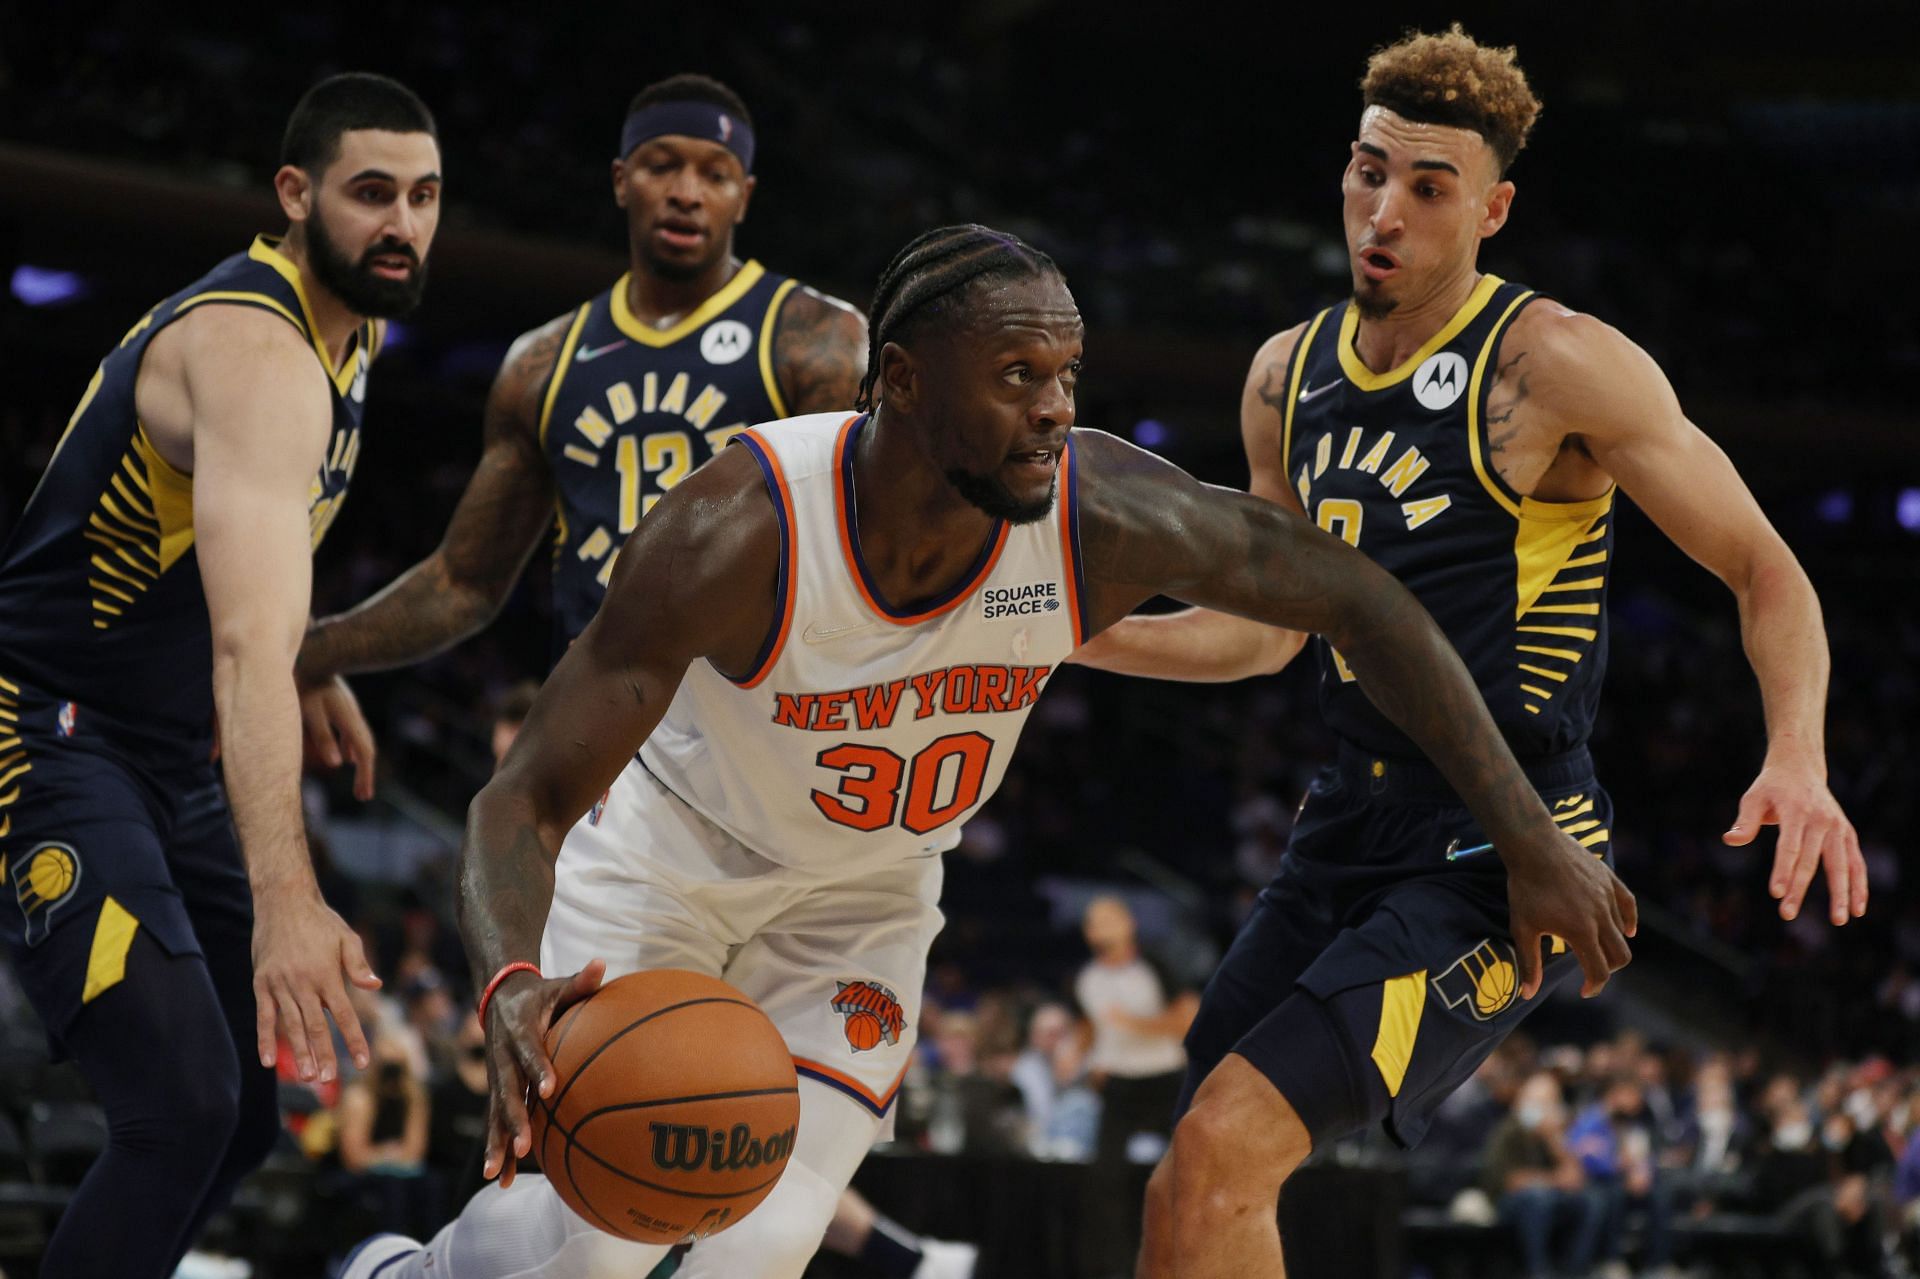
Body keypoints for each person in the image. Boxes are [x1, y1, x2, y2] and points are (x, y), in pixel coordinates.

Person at [342, 221, 1630, 1279]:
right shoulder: (738, 531)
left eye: (1067, 376)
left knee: (757, 1246)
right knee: (565, 1256)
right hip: (667, 876)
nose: (1055, 410)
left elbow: (1364, 599)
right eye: (1018, 376)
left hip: (862, 902)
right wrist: (510, 980)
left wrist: (1529, 832)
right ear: (902, 378)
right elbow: (520, 801)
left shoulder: (1100, 513)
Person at [1069, 27, 1866, 1276]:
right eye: (1368, 171)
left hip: (1507, 845)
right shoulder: (1286, 376)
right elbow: (1264, 636)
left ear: (1491, 208)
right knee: (1191, 1163)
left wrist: (1800, 757)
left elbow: (1767, 568)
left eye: (1428, 188)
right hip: (1345, 823)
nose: (1384, 211)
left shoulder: (1553, 362)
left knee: (1225, 1147)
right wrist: (1066, 638)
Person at [0, 73, 440, 1277]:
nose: (400, 224)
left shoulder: (357, 327)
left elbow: (246, 580)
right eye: (369, 194)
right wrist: (290, 901)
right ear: (295, 196)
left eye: (422, 195)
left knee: (243, 1112)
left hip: (157, 738)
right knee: (182, 1103)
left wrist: (304, 654)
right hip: (39, 722)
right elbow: (243, 643)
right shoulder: (256, 350)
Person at [1074, 895, 1195, 1279]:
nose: (1101, 926)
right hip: (1119, 1086)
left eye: (1109, 917)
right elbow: (1091, 1027)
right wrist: (1084, 1058)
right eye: (1094, 921)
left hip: (1165, 1082)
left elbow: (1189, 1018)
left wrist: (1138, 1025)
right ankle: (1116, 1269)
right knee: (1104, 1180)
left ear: (1128, 923)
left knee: (1187, 1172)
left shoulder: (1155, 965)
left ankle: (1189, 1261)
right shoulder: (1086, 978)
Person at [1482, 1071, 1606, 1279]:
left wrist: (1553, 1141)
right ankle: (1537, 1271)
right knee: (1538, 1198)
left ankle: (1575, 1271)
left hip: (1549, 1199)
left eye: (1548, 1103)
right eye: (1537, 1102)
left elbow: (1575, 1178)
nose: (1542, 1109)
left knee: (1592, 1200)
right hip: (1508, 1202)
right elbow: (1512, 1182)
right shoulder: (1509, 1131)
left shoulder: (1554, 1136)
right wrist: (1553, 1181)